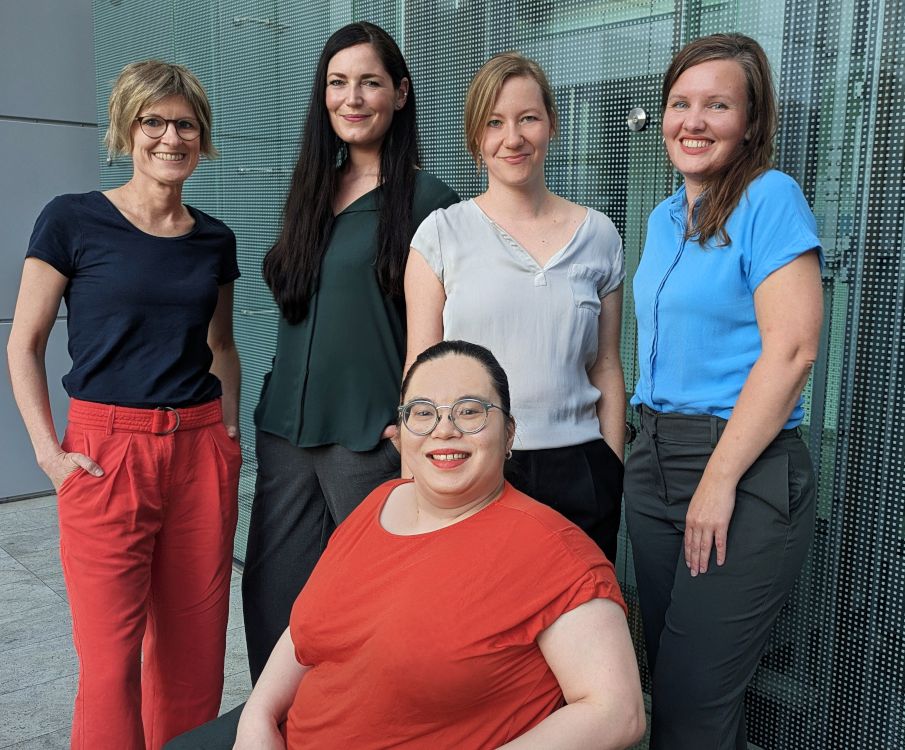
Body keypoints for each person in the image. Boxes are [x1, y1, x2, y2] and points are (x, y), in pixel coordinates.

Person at [166, 340, 645, 750]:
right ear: (401, 432)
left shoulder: (556, 551)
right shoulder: (381, 502)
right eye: (423, 413)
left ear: (509, 433)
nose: (444, 429)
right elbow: (306, 631)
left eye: (470, 411)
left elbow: (617, 712)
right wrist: (257, 717)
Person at [6, 60, 242, 749]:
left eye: (185, 124)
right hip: (106, 454)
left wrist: (227, 435)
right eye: (153, 122)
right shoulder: (72, 219)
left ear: (201, 135)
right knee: (110, 664)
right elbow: (24, 344)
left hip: (199, 452)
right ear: (126, 129)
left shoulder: (215, 238)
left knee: (195, 656)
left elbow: (220, 344)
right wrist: (50, 456)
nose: (171, 138)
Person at [242, 21, 459, 683]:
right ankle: (278, 724)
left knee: (374, 607)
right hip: (286, 434)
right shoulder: (312, 190)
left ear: (400, 93)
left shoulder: (430, 202)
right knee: (272, 604)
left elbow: (446, 337)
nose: (352, 97)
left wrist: (415, 430)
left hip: (369, 440)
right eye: (338, 83)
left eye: (369, 82)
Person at [624, 33, 824, 749]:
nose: (693, 121)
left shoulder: (770, 198)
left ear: (750, 121)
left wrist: (717, 479)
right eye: (680, 103)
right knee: (672, 686)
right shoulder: (661, 218)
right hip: (654, 460)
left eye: (717, 105)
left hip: (739, 466)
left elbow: (793, 350)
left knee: (690, 707)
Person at [405, 52, 626, 564]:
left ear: (551, 123)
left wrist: (611, 467)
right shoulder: (441, 234)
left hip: (580, 470)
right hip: (474, 465)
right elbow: (420, 369)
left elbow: (606, 365)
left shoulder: (599, 235)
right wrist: (413, 479)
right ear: (475, 137)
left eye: (528, 118)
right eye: (494, 122)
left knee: (581, 610)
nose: (513, 138)